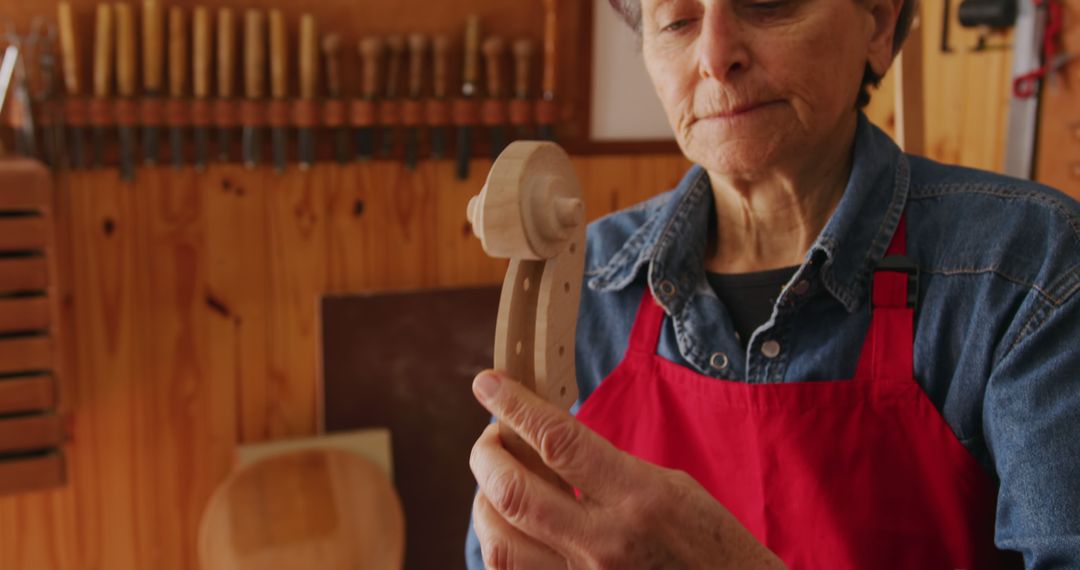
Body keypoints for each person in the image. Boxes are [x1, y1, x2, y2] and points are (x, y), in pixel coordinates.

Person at [466, 0, 1080, 567]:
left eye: (767, 1)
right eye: (677, 20)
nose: (714, 56)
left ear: (878, 22)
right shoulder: (588, 280)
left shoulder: (1028, 271)